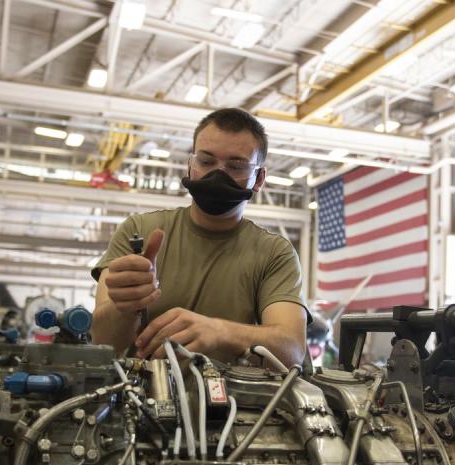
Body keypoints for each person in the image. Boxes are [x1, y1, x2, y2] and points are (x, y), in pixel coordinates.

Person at [90, 108, 309, 366]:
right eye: (206, 162)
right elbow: (102, 343)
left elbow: (292, 348)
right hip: (138, 399)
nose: (217, 175)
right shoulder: (139, 231)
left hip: (231, 403)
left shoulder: (274, 253)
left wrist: (219, 331)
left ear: (259, 178)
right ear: (190, 165)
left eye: (236, 166)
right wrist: (125, 306)